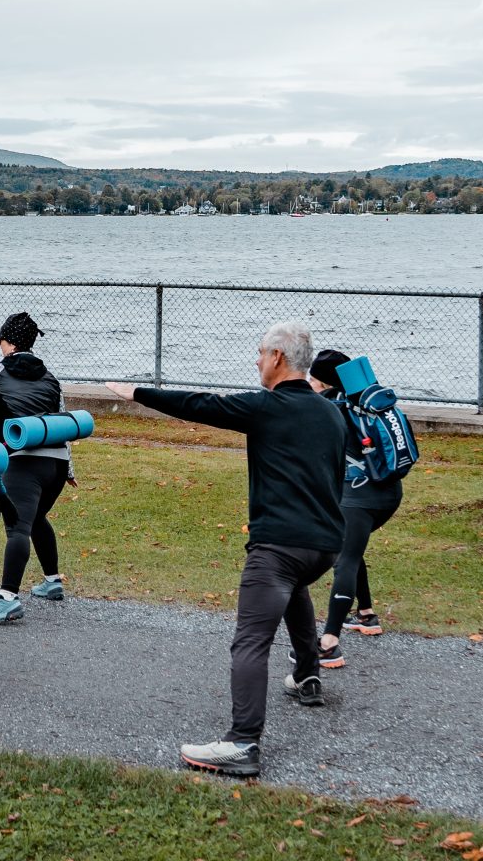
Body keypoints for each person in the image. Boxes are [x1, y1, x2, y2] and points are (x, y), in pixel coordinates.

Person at [105, 321, 345, 781]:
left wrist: (138, 392)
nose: (256, 361)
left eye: (260, 353)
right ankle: (308, 676)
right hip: (324, 548)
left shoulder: (268, 407)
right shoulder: (332, 414)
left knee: (251, 640)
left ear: (277, 358)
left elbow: (201, 406)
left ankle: (242, 743)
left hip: (278, 546)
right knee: (294, 589)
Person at [0, 310, 72, 624]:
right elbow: (63, 420)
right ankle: (52, 582)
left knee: (17, 527)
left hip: (21, 464)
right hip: (57, 465)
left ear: (4, 341)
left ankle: (7, 599)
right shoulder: (51, 377)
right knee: (36, 518)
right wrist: (69, 470)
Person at [307, 348, 410, 670]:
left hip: (358, 497)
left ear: (322, 382)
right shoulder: (368, 405)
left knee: (345, 557)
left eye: (311, 377)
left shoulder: (329, 408)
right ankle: (365, 614)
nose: (308, 381)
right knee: (352, 546)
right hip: (389, 494)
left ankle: (330, 642)